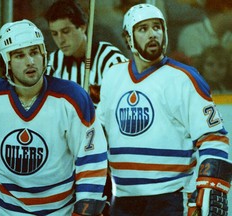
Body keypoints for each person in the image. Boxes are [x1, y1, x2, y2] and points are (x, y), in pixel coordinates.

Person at [0, 19, 108, 215]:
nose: (30, 61)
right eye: (20, 55)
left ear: (44, 55)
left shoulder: (72, 99)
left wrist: (86, 206)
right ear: (7, 62)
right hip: (1, 212)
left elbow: (91, 158)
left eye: (34, 52)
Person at [96, 3, 232, 216]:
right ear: (128, 37)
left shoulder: (185, 78)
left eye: (157, 27)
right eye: (143, 29)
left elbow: (214, 137)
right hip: (121, 199)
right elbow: (99, 135)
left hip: (170, 198)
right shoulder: (113, 76)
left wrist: (210, 186)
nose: (153, 34)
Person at [44, 0, 128, 105]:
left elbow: (125, 101)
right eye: (55, 34)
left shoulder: (111, 59)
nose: (60, 40)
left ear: (82, 27)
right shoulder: (54, 62)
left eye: (66, 31)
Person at [177, 0, 232, 66]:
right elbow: (198, 69)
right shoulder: (192, 33)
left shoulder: (229, 36)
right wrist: (227, 51)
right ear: (226, 10)